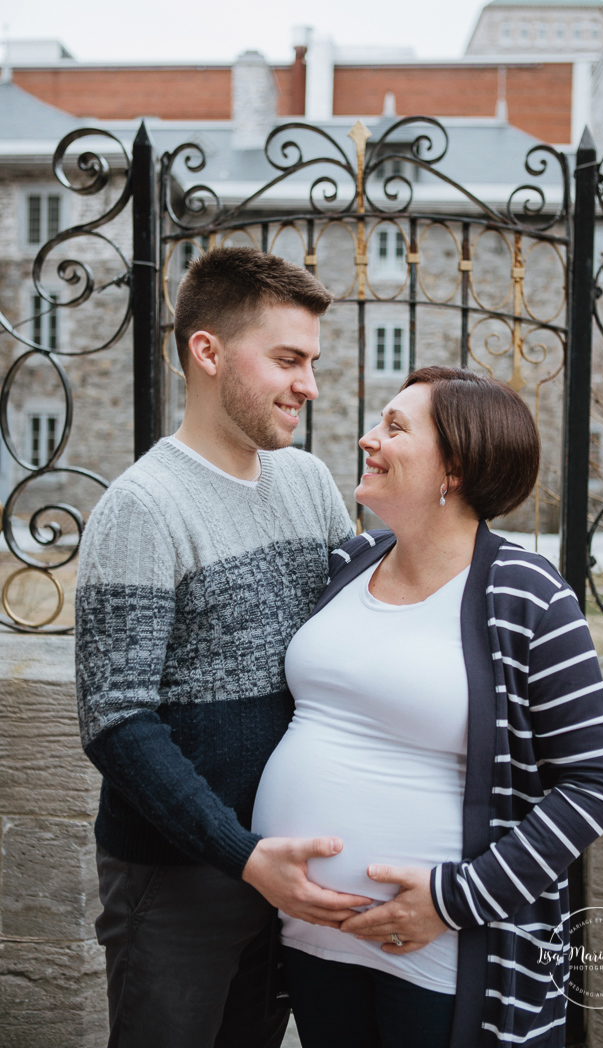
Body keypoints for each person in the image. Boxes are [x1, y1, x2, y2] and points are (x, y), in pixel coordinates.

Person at [252, 366, 603, 1048]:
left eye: (394, 427)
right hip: (310, 938)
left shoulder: (528, 595)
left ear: (453, 468)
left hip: (443, 952)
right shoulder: (351, 560)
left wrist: (452, 901)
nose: (369, 439)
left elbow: (599, 782)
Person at [74, 247, 367, 1048]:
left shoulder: (307, 482)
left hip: (284, 866)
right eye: (287, 359)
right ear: (207, 351)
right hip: (177, 882)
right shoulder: (142, 507)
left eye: (311, 361)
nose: (308, 383)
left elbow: (364, 635)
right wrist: (241, 855)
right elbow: (116, 720)